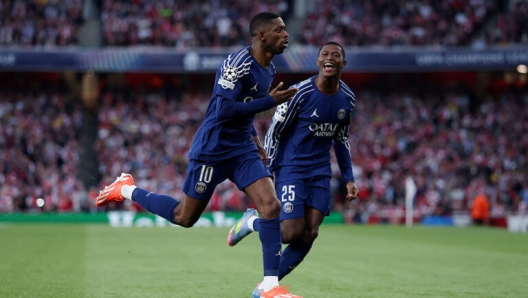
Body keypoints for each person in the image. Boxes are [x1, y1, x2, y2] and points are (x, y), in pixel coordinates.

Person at [95, 12, 302, 298]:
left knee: (271, 206)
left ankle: (269, 287)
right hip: (212, 149)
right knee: (184, 216)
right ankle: (126, 188)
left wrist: (254, 139)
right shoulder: (236, 64)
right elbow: (224, 110)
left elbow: (246, 108)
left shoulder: (269, 68)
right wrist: (269, 101)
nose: (286, 34)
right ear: (262, 36)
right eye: (279, 30)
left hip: (241, 149)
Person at [227, 41, 359, 282]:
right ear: (318, 62)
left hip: (320, 171)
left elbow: (341, 140)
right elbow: (275, 132)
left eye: (336, 55)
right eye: (325, 55)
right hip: (292, 167)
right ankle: (252, 222)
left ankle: (267, 286)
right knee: (289, 233)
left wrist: (349, 178)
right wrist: (266, 171)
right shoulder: (299, 94)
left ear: (343, 63)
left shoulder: (347, 98)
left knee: (310, 233)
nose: (330, 58)